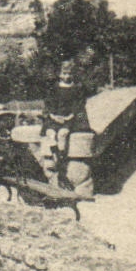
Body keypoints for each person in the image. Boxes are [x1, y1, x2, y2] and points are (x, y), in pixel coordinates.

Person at [43, 57, 91, 187]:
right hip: (54, 117)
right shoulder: (54, 88)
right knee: (51, 133)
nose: (66, 76)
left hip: (69, 118)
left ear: (73, 75)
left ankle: (60, 161)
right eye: (64, 73)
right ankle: (55, 156)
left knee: (62, 134)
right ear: (59, 74)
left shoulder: (76, 88)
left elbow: (78, 105)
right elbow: (49, 104)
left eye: (69, 73)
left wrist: (70, 116)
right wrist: (53, 116)